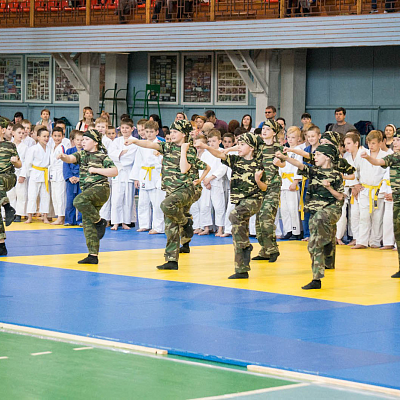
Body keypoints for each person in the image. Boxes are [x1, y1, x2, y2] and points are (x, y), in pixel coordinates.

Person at [125, 119, 200, 270]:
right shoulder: (168, 146)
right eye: (170, 132)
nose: (171, 134)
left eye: (175, 132)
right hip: (172, 190)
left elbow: (185, 169)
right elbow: (149, 144)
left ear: (184, 134)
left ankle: (186, 224)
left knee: (167, 206)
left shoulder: (190, 150)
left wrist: (184, 150)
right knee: (171, 221)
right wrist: (134, 141)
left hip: (187, 189)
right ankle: (173, 258)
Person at [196, 132, 266, 279]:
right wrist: (205, 146)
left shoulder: (259, 163)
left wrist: (258, 180)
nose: (238, 147)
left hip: (254, 199)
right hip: (240, 201)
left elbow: (264, 187)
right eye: (238, 144)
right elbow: (218, 155)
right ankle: (241, 268)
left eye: (242, 145)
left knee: (234, 215)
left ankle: (245, 247)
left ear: (252, 148)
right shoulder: (235, 160)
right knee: (238, 232)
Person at [276, 144, 344, 289]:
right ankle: (328, 261)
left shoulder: (336, 175)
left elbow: (340, 197)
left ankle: (316, 279)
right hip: (315, 211)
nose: (316, 157)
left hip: (332, 209)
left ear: (327, 157)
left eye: (319, 155)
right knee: (318, 239)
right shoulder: (314, 171)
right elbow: (299, 164)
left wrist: (329, 187)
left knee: (316, 241)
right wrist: (285, 158)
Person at [58, 129, 118, 264]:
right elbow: (70, 158)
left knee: (78, 200)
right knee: (87, 223)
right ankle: (93, 255)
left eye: (86, 139)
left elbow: (114, 171)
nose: (82, 142)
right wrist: (63, 157)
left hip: (100, 189)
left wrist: (96, 170)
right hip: (88, 191)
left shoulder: (103, 156)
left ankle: (100, 222)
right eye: (82, 139)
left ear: (95, 142)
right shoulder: (81, 154)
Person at [360, 131, 400, 277]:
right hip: (397, 199)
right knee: (398, 231)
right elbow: (378, 162)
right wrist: (368, 157)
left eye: (398, 140)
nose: (395, 142)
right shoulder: (394, 157)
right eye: (394, 140)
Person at [253, 119, 285, 262]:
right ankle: (264, 250)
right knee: (259, 220)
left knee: (266, 217)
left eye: (267, 129)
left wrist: (280, 163)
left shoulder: (278, 147)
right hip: (259, 187)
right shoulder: (258, 146)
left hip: (273, 187)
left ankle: (273, 250)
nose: (264, 131)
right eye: (263, 128)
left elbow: (284, 162)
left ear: (274, 133)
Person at [352, 130, 387, 249]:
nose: (371, 146)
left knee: (377, 218)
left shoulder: (385, 156)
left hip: (378, 191)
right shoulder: (362, 154)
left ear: (380, 143)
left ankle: (375, 242)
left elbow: (387, 175)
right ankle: (362, 241)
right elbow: (353, 170)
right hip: (365, 189)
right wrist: (355, 184)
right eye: (369, 143)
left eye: (374, 143)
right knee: (364, 216)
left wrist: (384, 189)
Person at [130, 120, 165, 234]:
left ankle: (158, 227)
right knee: (143, 202)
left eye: (151, 132)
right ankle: (144, 224)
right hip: (144, 175)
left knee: (157, 203)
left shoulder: (160, 144)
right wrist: (136, 178)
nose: (149, 134)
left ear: (156, 132)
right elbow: (138, 162)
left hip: (156, 174)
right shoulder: (141, 145)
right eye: (147, 131)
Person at [196, 130, 227, 237]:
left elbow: (223, 168)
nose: (211, 143)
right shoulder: (205, 154)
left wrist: (211, 178)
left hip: (216, 182)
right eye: (209, 141)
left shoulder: (223, 152)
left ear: (219, 141)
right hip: (205, 183)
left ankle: (220, 228)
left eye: (214, 141)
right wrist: (204, 180)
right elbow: (202, 168)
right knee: (204, 205)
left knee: (218, 206)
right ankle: (206, 227)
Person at [108, 118, 137, 231]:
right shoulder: (116, 141)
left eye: (127, 128)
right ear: (120, 128)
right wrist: (122, 153)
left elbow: (131, 158)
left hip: (129, 172)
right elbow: (111, 155)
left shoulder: (135, 141)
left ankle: (125, 222)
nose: (125, 130)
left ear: (132, 129)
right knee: (116, 198)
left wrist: (120, 155)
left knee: (128, 199)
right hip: (118, 172)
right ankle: (115, 222)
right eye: (123, 128)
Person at [0, 124, 21, 255]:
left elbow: (20, 164)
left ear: (2, 130)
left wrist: (15, 162)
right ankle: (1, 244)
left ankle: (7, 207)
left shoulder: (10, 146)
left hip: (8, 177)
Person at [279, 126, 303, 240]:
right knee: (284, 209)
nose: (290, 139)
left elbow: (299, 167)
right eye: (288, 137)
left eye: (293, 137)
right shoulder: (284, 150)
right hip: (283, 182)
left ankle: (296, 231)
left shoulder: (298, 151)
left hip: (292, 182)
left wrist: (295, 181)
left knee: (293, 208)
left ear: (299, 138)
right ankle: (287, 230)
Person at [23, 128, 51, 224]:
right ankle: (30, 216)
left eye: (47, 136)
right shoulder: (33, 149)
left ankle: (45, 216)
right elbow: (28, 163)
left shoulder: (49, 149)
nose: (46, 138)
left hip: (45, 174)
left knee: (45, 196)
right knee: (32, 196)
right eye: (44, 136)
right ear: (38, 137)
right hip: (35, 173)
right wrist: (28, 174)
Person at [341, 132, 364, 246]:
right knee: (354, 214)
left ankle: (365, 239)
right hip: (352, 187)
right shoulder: (346, 156)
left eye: (349, 143)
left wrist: (357, 185)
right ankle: (356, 238)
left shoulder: (364, 154)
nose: (346, 146)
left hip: (363, 187)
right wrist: (354, 185)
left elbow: (365, 173)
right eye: (345, 144)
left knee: (363, 215)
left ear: (356, 143)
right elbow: (348, 173)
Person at [8, 124, 28, 222]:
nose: (21, 135)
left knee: (21, 194)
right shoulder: (8, 145)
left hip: (20, 172)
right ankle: (10, 213)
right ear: (13, 133)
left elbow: (26, 162)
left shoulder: (25, 147)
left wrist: (23, 175)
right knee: (10, 194)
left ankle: (19, 214)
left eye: (22, 133)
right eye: (19, 133)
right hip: (9, 173)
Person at [63, 130, 83, 226]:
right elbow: (65, 165)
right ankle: (69, 220)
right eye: (77, 140)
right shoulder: (69, 151)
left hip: (82, 180)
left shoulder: (87, 153)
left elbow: (87, 167)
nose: (79, 142)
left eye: (82, 140)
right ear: (73, 140)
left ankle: (81, 220)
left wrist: (80, 177)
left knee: (81, 200)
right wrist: (69, 177)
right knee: (70, 200)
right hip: (71, 180)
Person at [49, 127, 67, 225]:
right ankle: (58, 215)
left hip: (60, 173)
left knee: (60, 195)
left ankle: (61, 217)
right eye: (55, 136)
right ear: (52, 136)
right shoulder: (53, 147)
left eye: (59, 136)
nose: (57, 138)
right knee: (55, 196)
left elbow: (64, 158)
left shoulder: (62, 147)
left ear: (63, 137)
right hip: (53, 174)